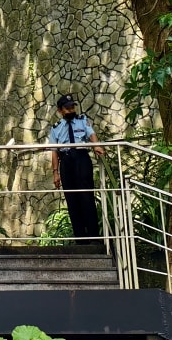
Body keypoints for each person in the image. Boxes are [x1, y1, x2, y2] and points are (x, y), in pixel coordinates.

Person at [49, 93, 102, 242]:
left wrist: (97, 146)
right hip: (66, 163)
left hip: (81, 159)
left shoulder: (82, 120)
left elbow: (91, 134)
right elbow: (54, 152)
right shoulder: (55, 128)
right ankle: (81, 239)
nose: (71, 110)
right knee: (72, 200)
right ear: (60, 111)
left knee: (87, 197)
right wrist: (55, 173)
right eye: (67, 108)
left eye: (72, 107)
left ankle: (95, 238)